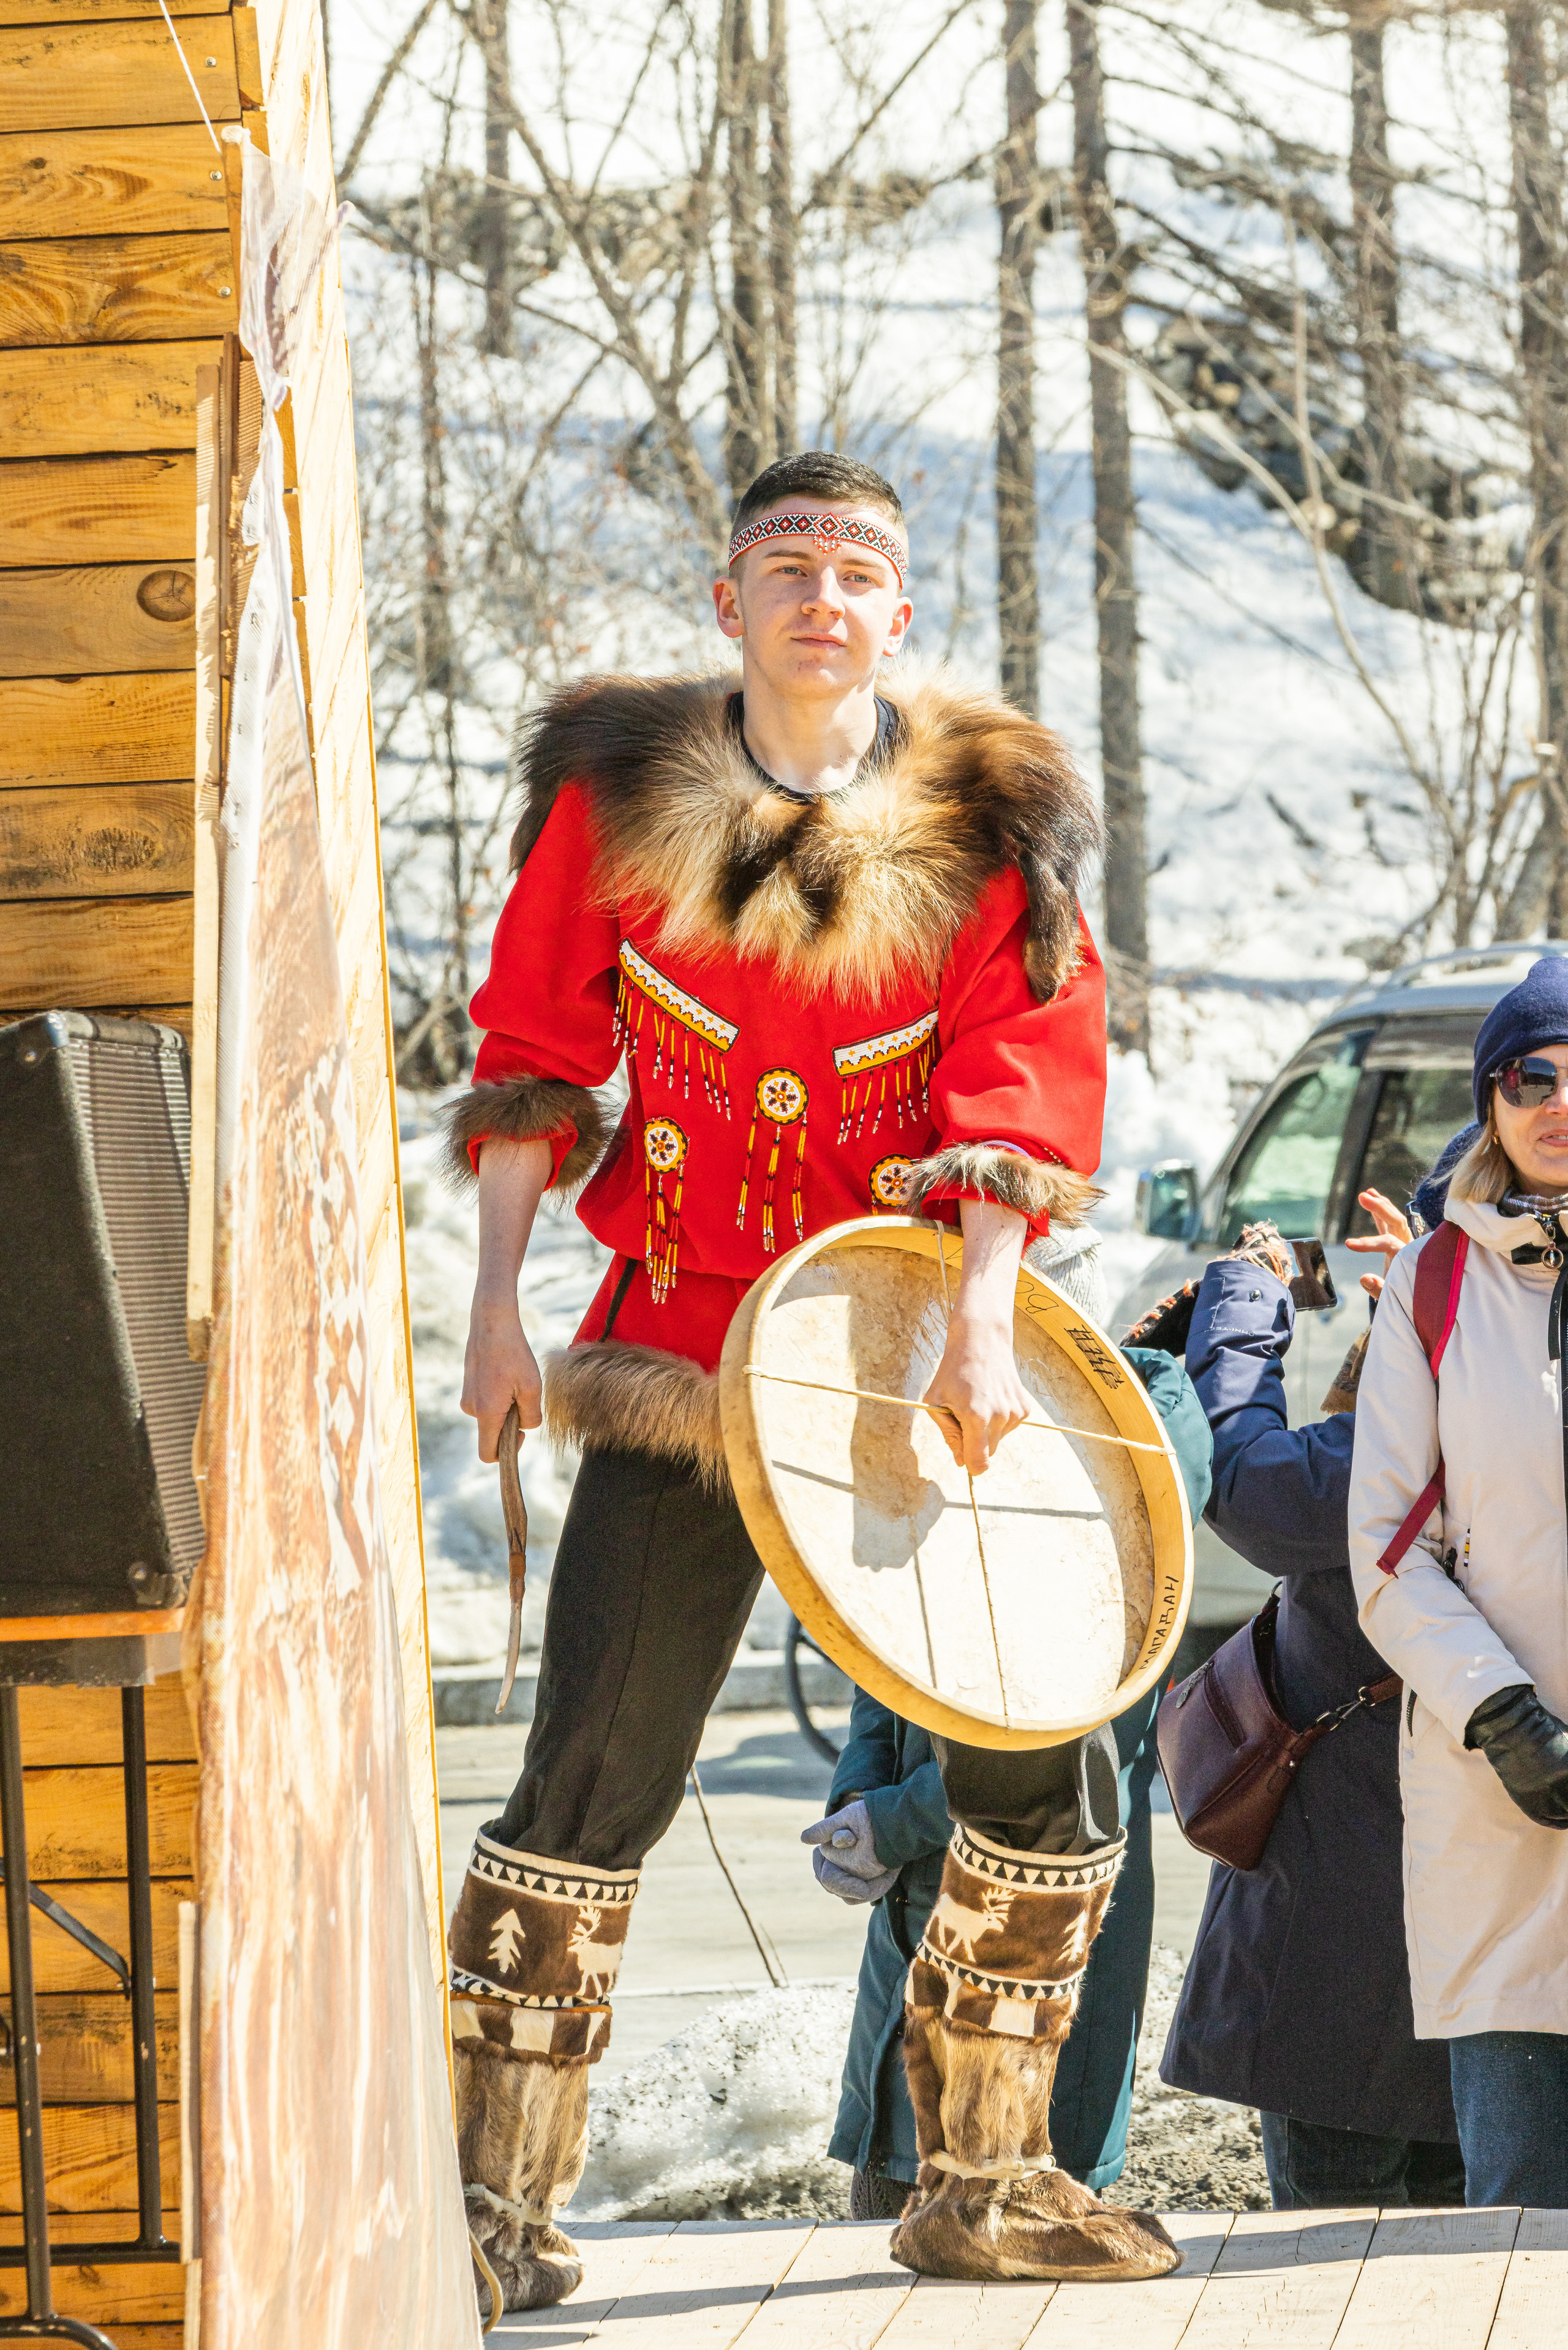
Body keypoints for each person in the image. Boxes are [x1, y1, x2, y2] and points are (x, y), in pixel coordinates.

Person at [443, 447, 1179, 2310]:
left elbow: (1018, 1088)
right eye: (787, 565)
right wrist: (498, 1310)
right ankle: (490, 2205)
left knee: (1041, 1759)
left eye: (858, 568)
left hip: (912, 1354)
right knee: (588, 1777)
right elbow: (534, 1046)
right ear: (731, 603)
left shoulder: (991, 827)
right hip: (680, 1343)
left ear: (899, 610)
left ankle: (988, 2177)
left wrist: (989, 1325)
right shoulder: (616, 805)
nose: (823, 597)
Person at [813, 1343, 1213, 2217]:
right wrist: (858, 1792)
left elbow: (1065, 1745)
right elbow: (879, 1636)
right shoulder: (939, 1396)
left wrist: (896, 1818)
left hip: (1046, 1916)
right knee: (890, 2191)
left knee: (1019, 2200)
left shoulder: (1135, 1429)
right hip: (915, 1908)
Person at [1158, 1184, 1467, 2210]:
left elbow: (1245, 1483)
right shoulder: (1506, 1396)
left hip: (1348, 1961)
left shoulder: (1422, 1438)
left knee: (1339, 2254)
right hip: (1467, 1963)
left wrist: (1246, 1303)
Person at [1351, 954, 1568, 2210]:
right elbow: (1385, 1542)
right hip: (1500, 1800)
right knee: (1515, 2222)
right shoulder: (1433, 1284)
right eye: (1527, 1074)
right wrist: (1498, 1711)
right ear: (1489, 1100)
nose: (1554, 1099)